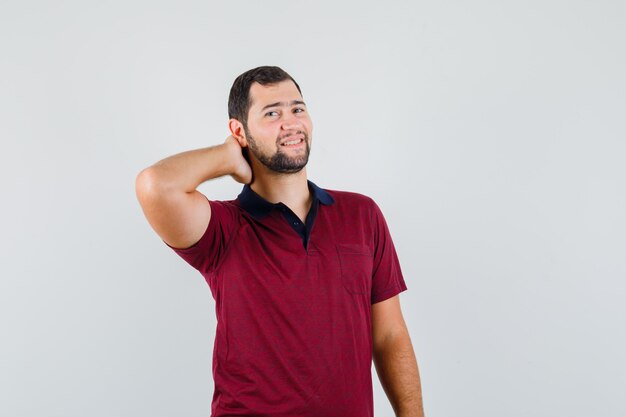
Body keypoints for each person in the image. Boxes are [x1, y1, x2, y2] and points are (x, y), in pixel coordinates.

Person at [135, 66, 425, 417]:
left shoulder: (362, 215)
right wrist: (228, 158)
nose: (291, 123)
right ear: (238, 130)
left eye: (297, 109)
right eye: (272, 113)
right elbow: (154, 185)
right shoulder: (223, 229)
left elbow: (390, 335)